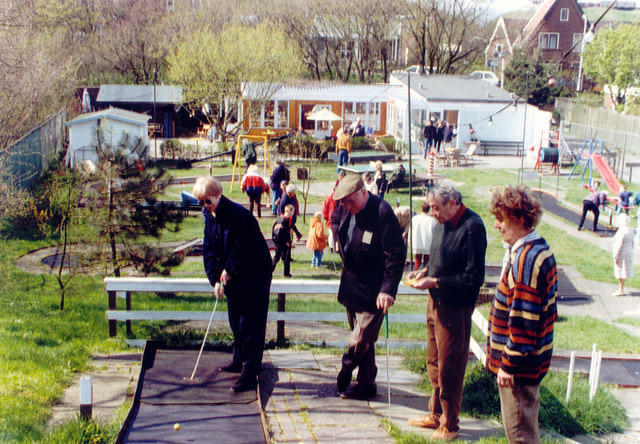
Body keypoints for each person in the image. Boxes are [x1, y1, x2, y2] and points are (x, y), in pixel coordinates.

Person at [407, 184, 487, 441]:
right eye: (430, 207)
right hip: (435, 303)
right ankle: (436, 414)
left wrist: (436, 282)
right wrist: (425, 272)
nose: (432, 213)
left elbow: (473, 278)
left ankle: (450, 425)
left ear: (453, 202)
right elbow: (438, 258)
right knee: (433, 362)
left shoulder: (473, 227)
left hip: (455, 307)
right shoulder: (441, 223)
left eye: (436, 208)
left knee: (450, 367)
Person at [486, 185, 558, 444]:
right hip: (529, 363)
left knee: (520, 435)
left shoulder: (526, 260)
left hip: (519, 368)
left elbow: (525, 322)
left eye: (500, 219)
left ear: (516, 218)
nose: (497, 226)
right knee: (525, 430)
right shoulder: (538, 248)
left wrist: (509, 363)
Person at [193, 176, 272, 393]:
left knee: (251, 324)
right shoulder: (209, 216)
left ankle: (250, 372)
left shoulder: (240, 216)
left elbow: (245, 249)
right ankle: (239, 359)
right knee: (235, 319)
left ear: (218, 195)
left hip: (255, 274)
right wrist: (215, 279)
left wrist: (229, 269)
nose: (205, 206)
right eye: (201, 202)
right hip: (234, 276)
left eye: (208, 201)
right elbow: (209, 250)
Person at [330, 174, 406, 400]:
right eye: (344, 203)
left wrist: (388, 289)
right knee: (365, 341)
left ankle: (346, 366)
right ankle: (366, 384)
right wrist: (335, 235)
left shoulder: (382, 212)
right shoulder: (344, 207)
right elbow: (334, 218)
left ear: (364, 192)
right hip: (352, 284)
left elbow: (395, 254)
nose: (347, 207)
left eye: (351, 201)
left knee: (360, 338)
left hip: (374, 289)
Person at [410, 201, 438, 271]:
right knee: (426, 260)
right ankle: (425, 274)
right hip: (427, 242)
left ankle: (416, 274)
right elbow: (435, 232)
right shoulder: (432, 220)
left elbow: (411, 230)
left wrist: (410, 240)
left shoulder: (415, 219)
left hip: (417, 241)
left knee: (417, 259)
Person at [612, 213, 634, 296]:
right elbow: (632, 242)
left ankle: (620, 290)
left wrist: (615, 255)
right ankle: (621, 288)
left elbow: (619, 244)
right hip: (629, 252)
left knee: (620, 270)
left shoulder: (621, 231)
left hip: (622, 253)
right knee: (624, 271)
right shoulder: (631, 230)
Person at [272, 204, 294, 277]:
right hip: (280, 242)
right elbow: (279, 233)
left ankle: (286, 273)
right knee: (277, 258)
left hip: (281, 242)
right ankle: (269, 271)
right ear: (288, 211)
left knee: (286, 258)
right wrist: (286, 242)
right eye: (292, 212)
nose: (293, 213)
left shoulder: (285, 219)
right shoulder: (282, 220)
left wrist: (289, 230)